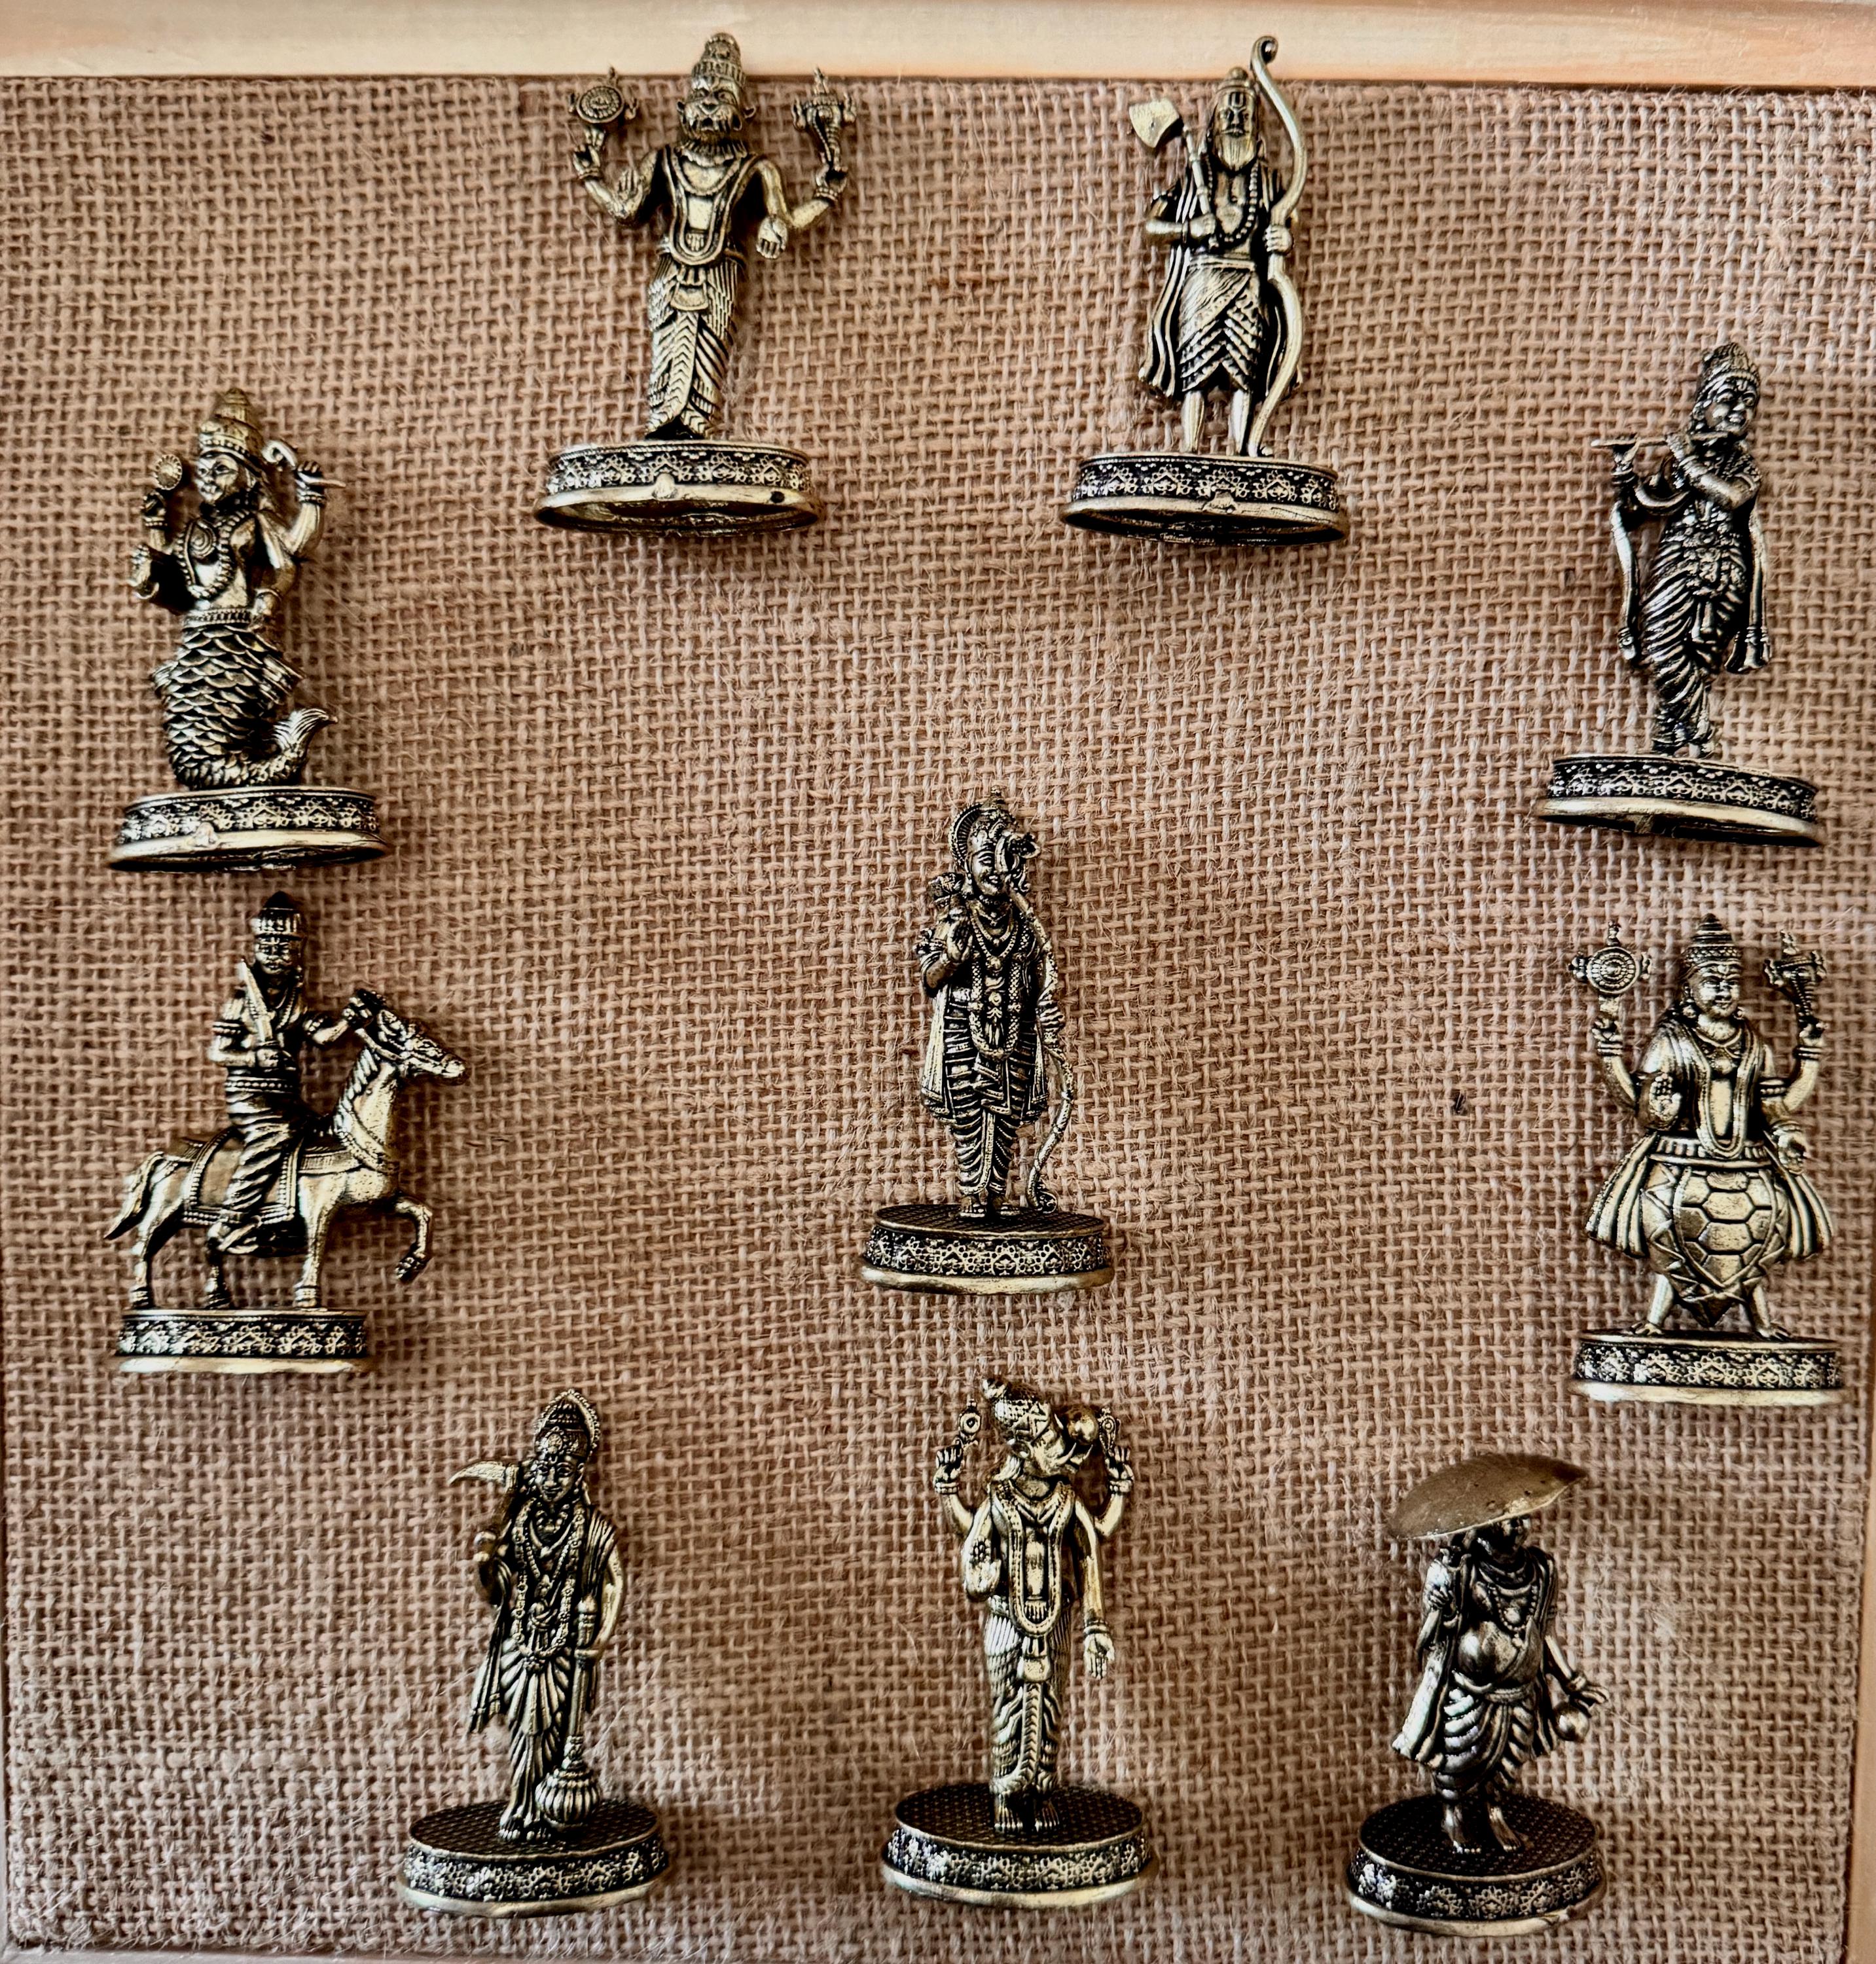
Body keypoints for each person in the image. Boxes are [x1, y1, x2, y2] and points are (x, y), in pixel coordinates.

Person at [574, 34, 848, 440]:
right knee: (667, 346)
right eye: (700, 94)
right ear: (682, 107)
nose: (708, 104)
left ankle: (698, 426)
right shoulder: (662, 161)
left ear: (744, 113)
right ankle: (661, 424)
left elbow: (785, 220)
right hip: (672, 266)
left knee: (710, 348)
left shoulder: (757, 168)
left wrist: (825, 194)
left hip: (721, 270)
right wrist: (592, 175)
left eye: (721, 96)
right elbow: (627, 211)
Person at [1587, 913, 1830, 1337]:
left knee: (1760, 1242)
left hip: (1748, 1164)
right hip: (1678, 1161)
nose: (1723, 990)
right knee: (1667, 1241)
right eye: (1712, 981)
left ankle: (1763, 1324)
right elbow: (1639, 1103)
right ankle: (1653, 1322)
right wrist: (1637, 1083)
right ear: (1688, 989)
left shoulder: (1754, 1044)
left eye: (1731, 982)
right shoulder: (1670, 1041)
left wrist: (1801, 1082)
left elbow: (1773, 1105)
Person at [935, 1379, 1130, 1833]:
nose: (1063, 1452)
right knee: (1007, 1706)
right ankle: (1005, 1794)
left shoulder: (1065, 1499)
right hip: (1007, 1621)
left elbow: (1091, 1546)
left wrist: (1095, 1626)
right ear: (1023, 1448)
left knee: (1049, 1709)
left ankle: (1041, 1791)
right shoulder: (1000, 1501)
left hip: (1055, 1621)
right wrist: (979, 1573)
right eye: (1049, 1441)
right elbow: (971, 1541)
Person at [130, 388, 333, 788]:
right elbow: (177, 583)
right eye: (204, 468)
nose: (208, 477)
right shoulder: (193, 529)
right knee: (192, 717)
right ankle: (243, 769)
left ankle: (265, 761)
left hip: (239, 637)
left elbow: (290, 557)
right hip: (196, 643)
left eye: (221, 468)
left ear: (247, 475)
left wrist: (311, 497)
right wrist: (154, 535)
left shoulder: (255, 521)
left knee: (239, 709)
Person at [1393, 1512, 1601, 1855]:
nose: (1518, 1526)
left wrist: (1572, 1681)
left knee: (1510, 1759)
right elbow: (1434, 1635)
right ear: (1484, 1526)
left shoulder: (1542, 1570)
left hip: (1521, 1691)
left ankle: (1495, 1812)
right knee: (1460, 1757)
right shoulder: (1463, 1569)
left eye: (1523, 1518)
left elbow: (1545, 1633)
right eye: (1507, 1520)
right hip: (1471, 1690)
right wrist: (1444, 1602)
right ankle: (1453, 1814)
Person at [469, 1392, 624, 1842]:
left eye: (563, 1470)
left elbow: (614, 1582)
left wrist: (600, 1638)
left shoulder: (593, 1528)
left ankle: (545, 1808)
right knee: (522, 1728)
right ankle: (521, 1803)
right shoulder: (517, 1523)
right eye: (545, 1467)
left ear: (579, 1476)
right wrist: (485, 1564)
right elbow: (495, 1592)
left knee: (553, 1729)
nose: (552, 1478)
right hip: (520, 1642)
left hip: (566, 1646)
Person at [1612, 342, 1768, 757]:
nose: (1739, 411)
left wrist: (1686, 458)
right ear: (1703, 407)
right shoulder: (1676, 463)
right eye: (1728, 399)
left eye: (1748, 403)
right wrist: (1625, 471)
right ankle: (1695, 736)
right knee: (1661, 649)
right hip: (1675, 561)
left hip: (1724, 568)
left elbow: (1731, 498)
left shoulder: (1743, 467)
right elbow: (1644, 508)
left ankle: (1679, 742)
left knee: (1700, 660)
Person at [917, 803, 1063, 1218]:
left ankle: (996, 1194)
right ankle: (971, 1192)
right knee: (969, 1114)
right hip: (963, 1029)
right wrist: (950, 959)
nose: (997, 870)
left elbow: (1040, 978)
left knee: (1006, 1116)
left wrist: (1046, 1008)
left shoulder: (1025, 926)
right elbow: (930, 979)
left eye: (1006, 860)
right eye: (986, 859)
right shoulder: (957, 920)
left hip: (1016, 1032)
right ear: (968, 866)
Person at [1140, 67, 1292, 455]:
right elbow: (1152, 227)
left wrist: (1282, 239)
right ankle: (1190, 450)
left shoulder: (1268, 181)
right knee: (1196, 373)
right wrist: (1189, 229)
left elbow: (1285, 222)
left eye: (1245, 116)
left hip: (1248, 284)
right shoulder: (1195, 177)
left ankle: (1242, 452)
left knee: (1245, 374)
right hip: (1202, 281)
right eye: (1228, 114)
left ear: (1256, 127)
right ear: (1213, 125)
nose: (1236, 122)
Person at [204, 892, 359, 1260]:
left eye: (284, 948)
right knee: (275, 1134)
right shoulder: (240, 1002)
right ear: (256, 949)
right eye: (268, 947)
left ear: (297, 953)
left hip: (288, 1099)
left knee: (329, 1132)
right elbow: (217, 1053)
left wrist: (351, 1020)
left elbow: (323, 1038)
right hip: (249, 1097)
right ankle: (232, 1217)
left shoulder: (296, 1002)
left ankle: (284, 1213)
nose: (275, 954)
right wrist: (255, 1057)